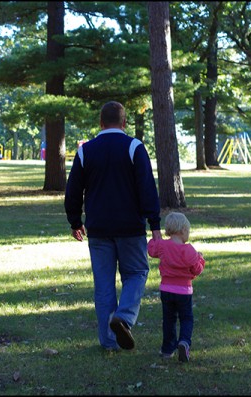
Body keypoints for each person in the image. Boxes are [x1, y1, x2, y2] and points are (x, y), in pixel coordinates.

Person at [64, 101, 162, 352]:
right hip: (130, 227)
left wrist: (75, 221)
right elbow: (146, 188)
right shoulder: (134, 147)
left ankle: (109, 341)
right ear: (124, 122)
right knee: (137, 273)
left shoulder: (86, 151)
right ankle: (125, 317)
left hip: (98, 228)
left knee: (104, 284)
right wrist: (155, 225)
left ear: (100, 122)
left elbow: (73, 190)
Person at [147, 211, 205, 362]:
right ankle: (184, 342)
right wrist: (200, 259)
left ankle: (167, 350)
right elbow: (196, 270)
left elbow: (151, 250)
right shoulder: (189, 250)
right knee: (186, 318)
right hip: (184, 291)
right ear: (183, 230)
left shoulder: (162, 246)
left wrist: (155, 239)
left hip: (166, 289)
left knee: (169, 319)